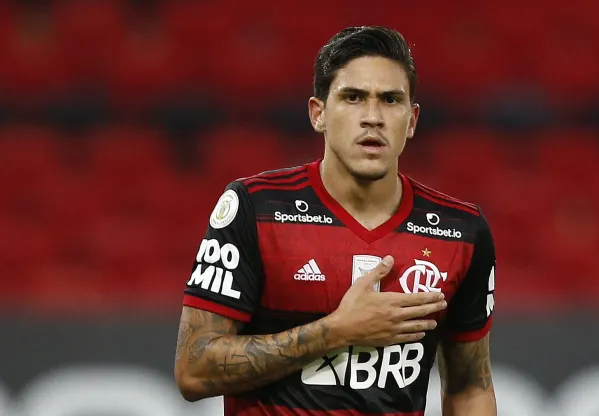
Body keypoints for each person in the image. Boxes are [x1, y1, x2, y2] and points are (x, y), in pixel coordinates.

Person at [174, 25, 498, 415]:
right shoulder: (255, 209)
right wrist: (336, 332)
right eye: (353, 98)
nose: (373, 117)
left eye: (390, 100)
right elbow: (194, 369)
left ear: (411, 120)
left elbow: (470, 387)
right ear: (318, 114)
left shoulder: (460, 232)